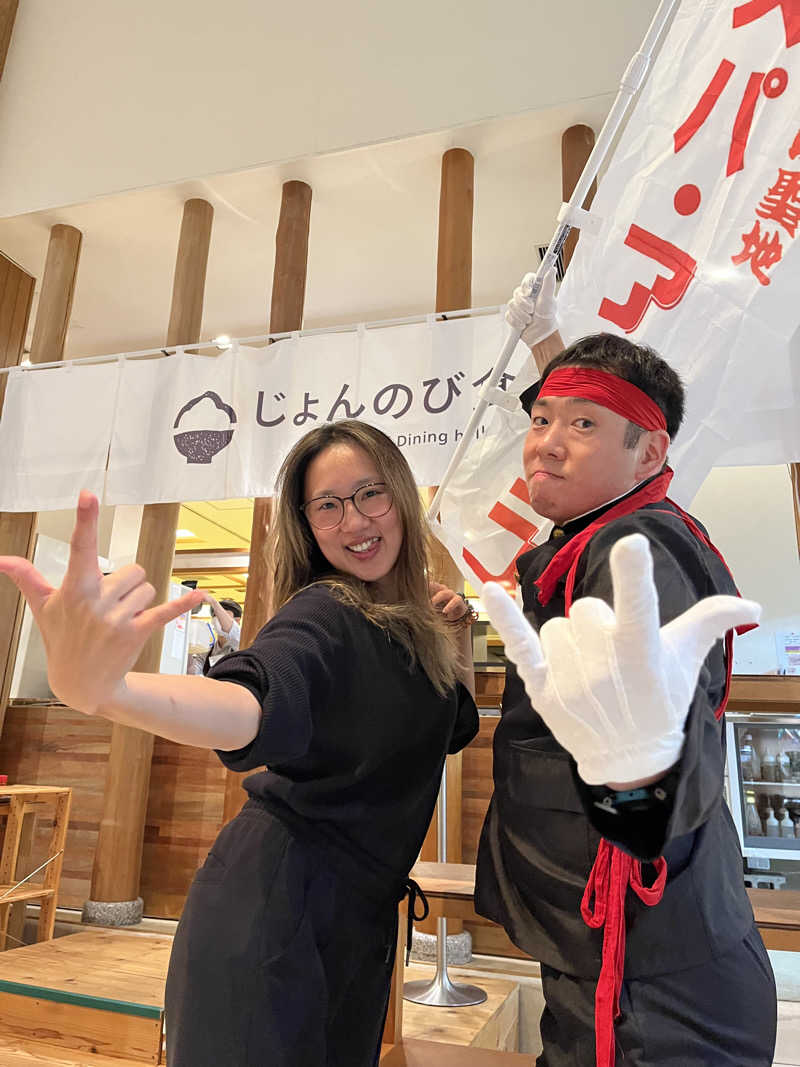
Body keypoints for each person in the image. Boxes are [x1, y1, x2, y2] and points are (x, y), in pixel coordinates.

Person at [0, 419, 479, 1067]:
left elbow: (456, 726)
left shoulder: (415, 630)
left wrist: (459, 636)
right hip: (272, 908)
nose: (354, 520)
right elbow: (251, 699)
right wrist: (109, 690)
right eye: (328, 505)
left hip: (360, 925)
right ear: (309, 525)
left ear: (399, 494)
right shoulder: (325, 612)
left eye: (370, 493)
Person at [474, 275, 776, 1066]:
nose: (546, 441)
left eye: (581, 423)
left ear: (651, 449)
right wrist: (550, 344)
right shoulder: (594, 534)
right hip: (614, 950)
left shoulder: (638, 549)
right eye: (539, 419)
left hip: (648, 980)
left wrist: (638, 777)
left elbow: (656, 749)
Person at [201, 593, 241, 669]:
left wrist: (213, 602)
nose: (218, 618)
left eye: (223, 615)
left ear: (237, 621)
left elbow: (233, 631)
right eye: (215, 615)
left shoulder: (240, 643)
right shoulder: (207, 650)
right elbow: (193, 670)